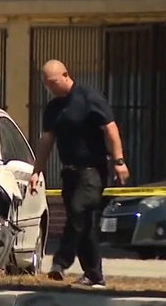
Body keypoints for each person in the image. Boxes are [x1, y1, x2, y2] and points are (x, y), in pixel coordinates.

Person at [28, 60, 130, 288]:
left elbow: (111, 128)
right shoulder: (54, 108)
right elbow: (47, 140)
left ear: (66, 75)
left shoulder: (88, 98)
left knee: (78, 210)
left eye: (53, 82)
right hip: (70, 173)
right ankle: (94, 275)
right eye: (46, 84)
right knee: (85, 223)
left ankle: (60, 262)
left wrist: (119, 161)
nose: (50, 87)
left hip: (92, 170)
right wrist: (37, 171)